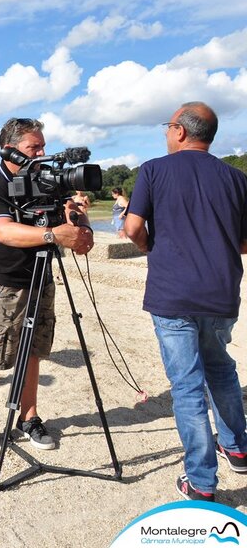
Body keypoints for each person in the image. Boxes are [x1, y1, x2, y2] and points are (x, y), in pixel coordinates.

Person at [125, 102, 247, 502]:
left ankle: (201, 481)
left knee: (188, 386)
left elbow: (132, 227)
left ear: (179, 131)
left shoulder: (154, 169)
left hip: (173, 293)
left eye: (167, 127)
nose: (164, 134)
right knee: (222, 370)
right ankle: (238, 448)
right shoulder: (236, 178)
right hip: (221, 291)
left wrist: (151, 248)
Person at [0, 117, 94, 458]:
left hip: (41, 277)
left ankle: (29, 415)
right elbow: (4, 232)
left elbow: (71, 220)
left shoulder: (47, 180)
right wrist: (54, 235)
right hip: (2, 280)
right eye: (33, 147)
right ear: (10, 150)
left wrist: (79, 224)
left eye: (42, 146)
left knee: (34, 349)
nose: (41, 153)